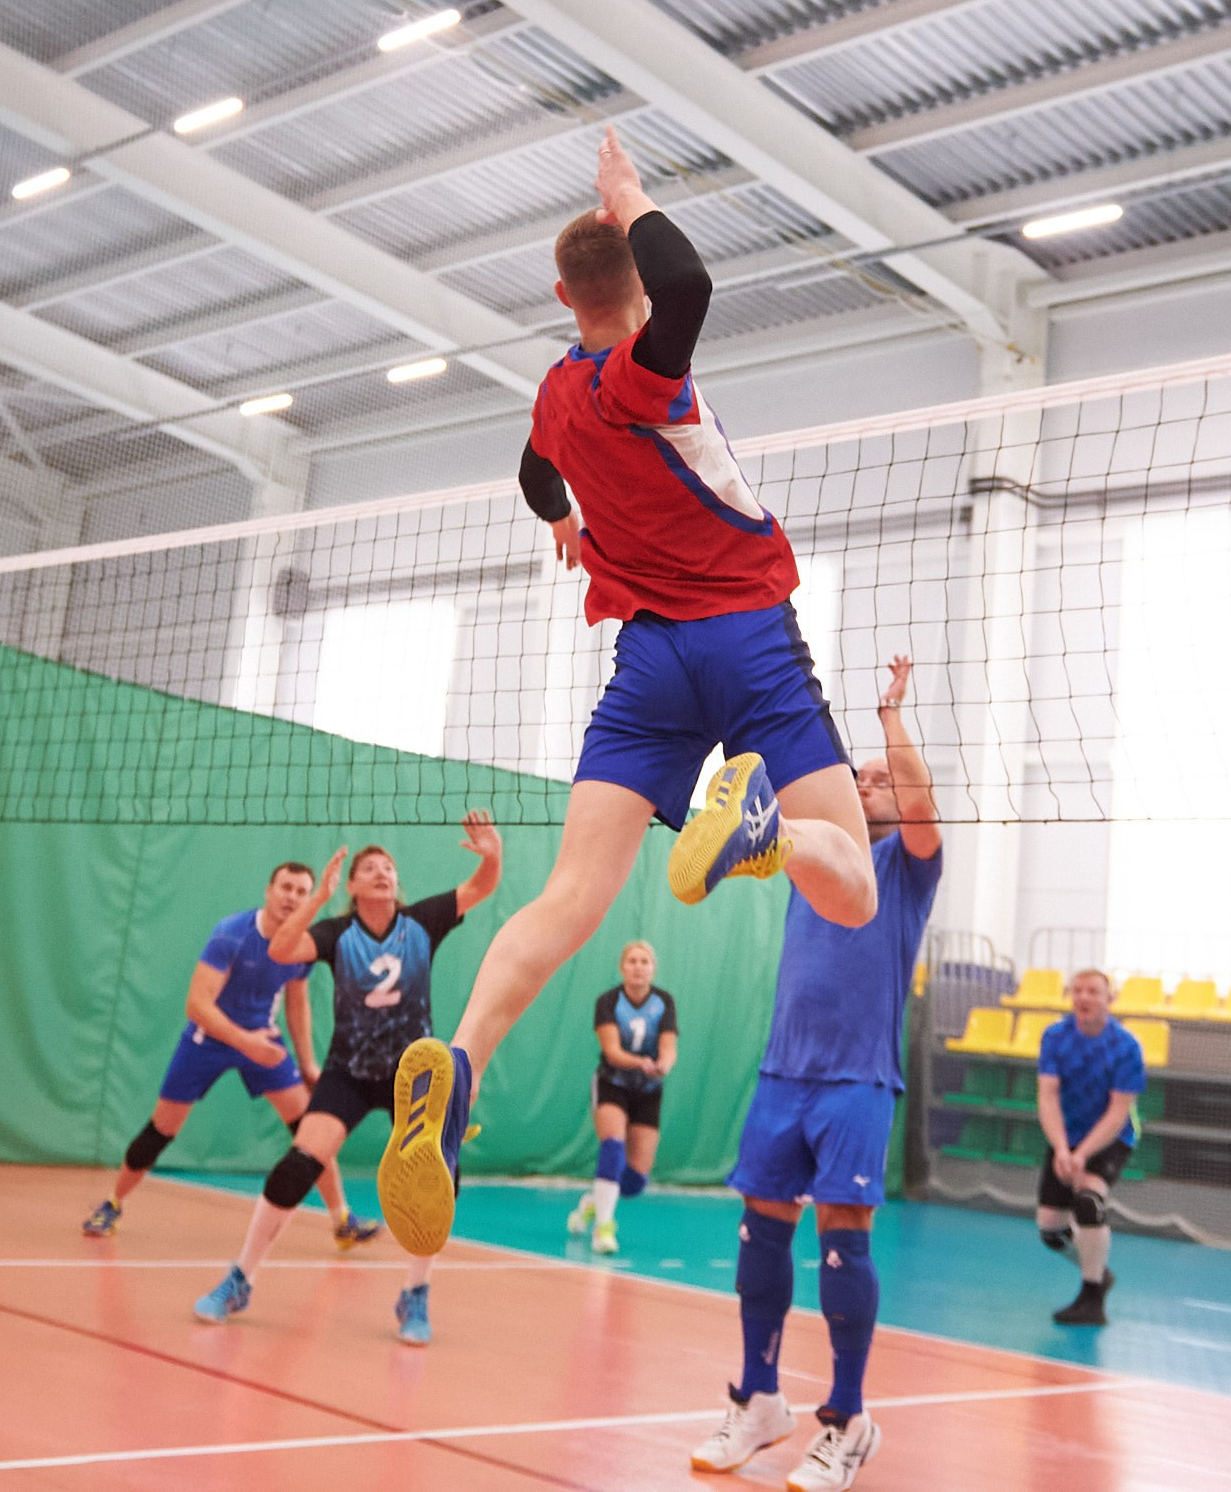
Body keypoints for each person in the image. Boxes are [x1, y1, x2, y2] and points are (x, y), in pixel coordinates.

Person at [378, 128, 876, 1261]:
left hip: (648, 660)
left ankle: (455, 1065)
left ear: (561, 294)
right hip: (745, 637)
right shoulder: (638, 375)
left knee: (565, 902)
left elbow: (530, 470)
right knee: (847, 888)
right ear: (635, 295)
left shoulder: (556, 396)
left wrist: (559, 516)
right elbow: (693, 285)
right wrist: (629, 193)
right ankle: (766, 834)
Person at [692, 656, 940, 1492]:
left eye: (878, 780)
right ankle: (760, 1399)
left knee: (842, 1235)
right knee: (761, 1229)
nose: (867, 783)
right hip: (782, 1072)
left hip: (857, 1080)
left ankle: (847, 1418)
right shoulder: (812, 857)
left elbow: (920, 802)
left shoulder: (908, 870)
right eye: (860, 776)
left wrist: (888, 720)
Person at [193, 813, 501, 1346]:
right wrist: (317, 898)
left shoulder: (422, 921)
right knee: (297, 1166)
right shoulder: (337, 933)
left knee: (438, 1181)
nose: (382, 873)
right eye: (370, 868)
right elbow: (281, 951)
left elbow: (480, 886)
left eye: (388, 867)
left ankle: (415, 1294)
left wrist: (492, 853)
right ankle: (241, 1277)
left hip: (414, 1074)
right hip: (350, 1072)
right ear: (353, 886)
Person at [82, 852, 381, 1249]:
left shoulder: (300, 945)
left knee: (311, 1130)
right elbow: (197, 1006)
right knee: (162, 1130)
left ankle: (341, 1220)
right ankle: (113, 1202)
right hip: (209, 1039)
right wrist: (247, 1043)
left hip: (263, 1040)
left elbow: (297, 1003)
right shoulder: (232, 934)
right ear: (269, 891)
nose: (292, 897)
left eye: (302, 892)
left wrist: (308, 1062)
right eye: (286, 888)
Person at [1033, 969, 1144, 1329]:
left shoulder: (1126, 1047)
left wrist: (1082, 1157)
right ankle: (1097, 1271)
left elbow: (1117, 1112)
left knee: (1088, 1203)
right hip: (1067, 1134)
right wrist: (1063, 1149)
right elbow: (1048, 1096)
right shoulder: (1055, 1037)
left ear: (1109, 999)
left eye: (1093, 991)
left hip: (1111, 1136)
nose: (1084, 997)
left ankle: (1091, 1297)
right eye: (1077, 990)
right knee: (1051, 1230)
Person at [568, 939, 677, 1255]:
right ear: (622, 967)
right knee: (612, 1146)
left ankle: (593, 1201)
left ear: (653, 968)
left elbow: (669, 1048)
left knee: (635, 1180)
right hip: (613, 1083)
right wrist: (641, 1062)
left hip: (648, 1091)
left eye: (644, 961)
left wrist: (663, 1065)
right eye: (632, 961)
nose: (638, 967)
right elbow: (612, 1051)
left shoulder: (663, 1002)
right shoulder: (609, 1002)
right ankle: (604, 1227)